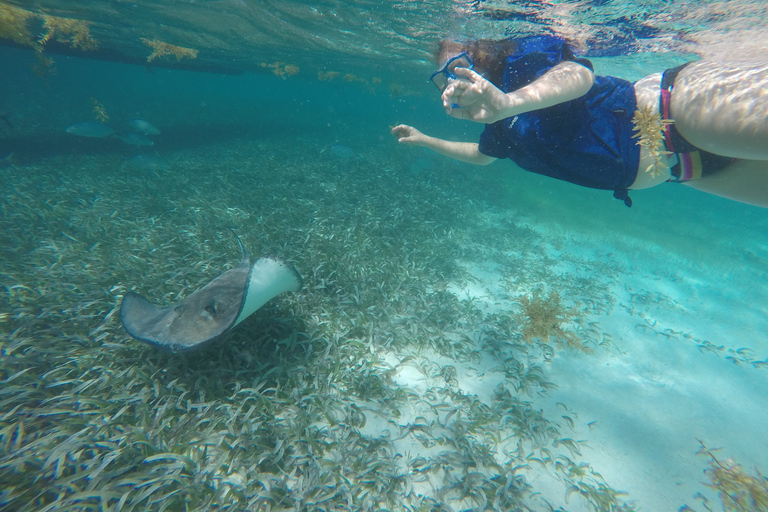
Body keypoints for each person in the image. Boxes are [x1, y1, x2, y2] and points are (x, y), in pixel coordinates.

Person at [391, 36, 768, 207]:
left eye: (458, 66)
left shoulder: (523, 58)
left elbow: (578, 75)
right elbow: (481, 155)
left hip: (675, 111)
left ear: (482, 53)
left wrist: (509, 101)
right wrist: (426, 139)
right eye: (442, 77)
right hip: (688, 169)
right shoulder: (498, 126)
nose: (452, 81)